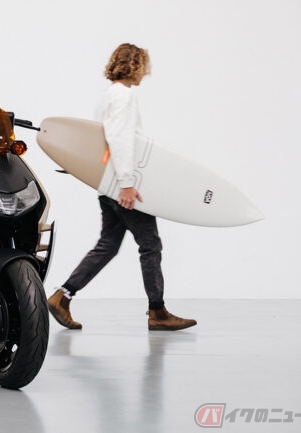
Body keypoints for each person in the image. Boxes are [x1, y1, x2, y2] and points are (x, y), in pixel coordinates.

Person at [47, 43, 197, 331]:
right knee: (150, 245)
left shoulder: (107, 95)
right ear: (135, 65)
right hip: (121, 185)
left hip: (107, 183)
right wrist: (127, 184)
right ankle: (157, 312)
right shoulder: (124, 96)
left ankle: (62, 296)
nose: (147, 72)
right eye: (145, 66)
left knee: (108, 245)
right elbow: (119, 139)